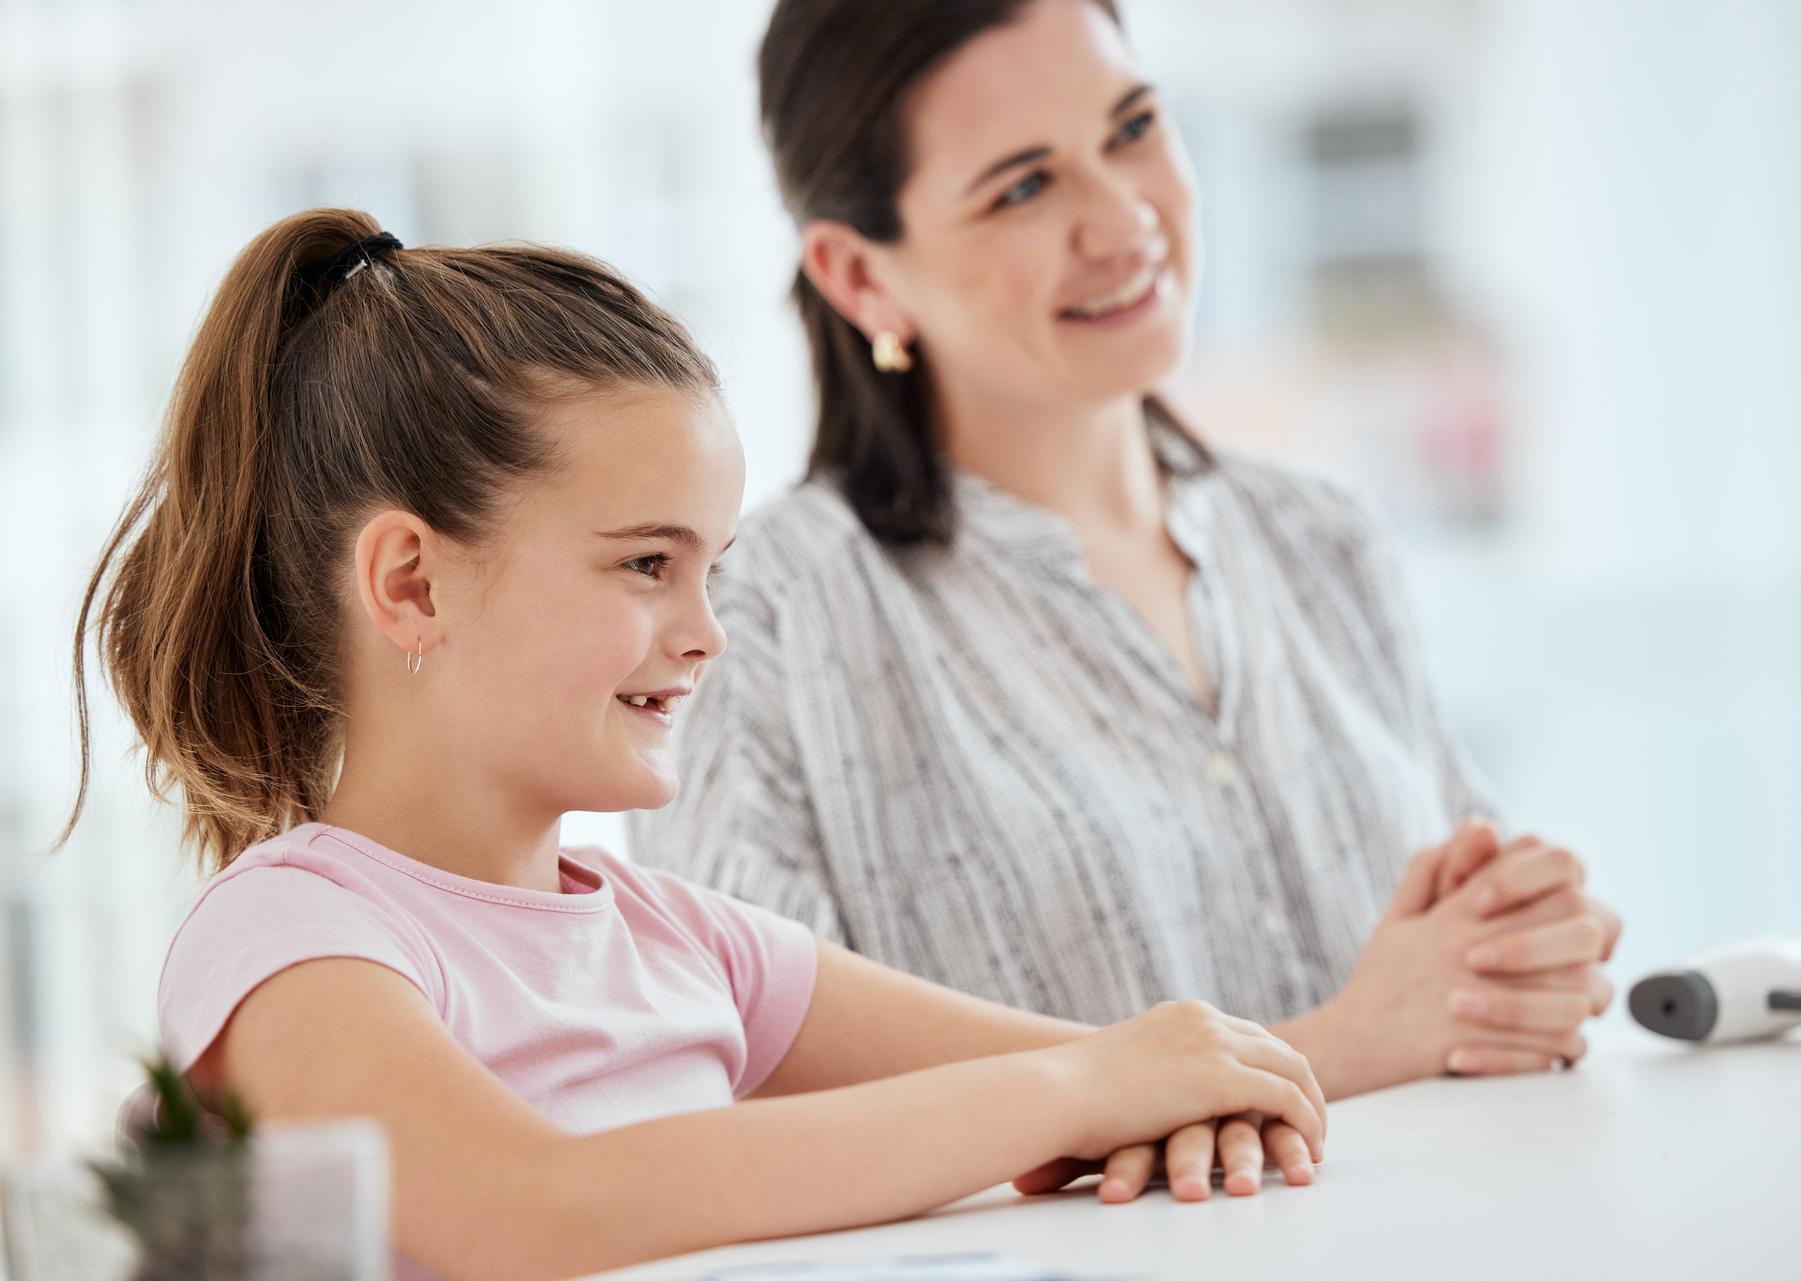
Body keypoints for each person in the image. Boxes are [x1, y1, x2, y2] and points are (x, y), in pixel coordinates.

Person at [58, 209, 1329, 1281]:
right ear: (413, 586)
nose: (708, 632)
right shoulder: (290, 935)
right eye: (648, 564)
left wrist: (1166, 1086)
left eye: (711, 569)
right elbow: (530, 1210)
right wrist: (1072, 1100)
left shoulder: (688, 944)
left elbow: (1128, 1072)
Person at [638, 0, 1623, 1106]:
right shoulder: (759, 622)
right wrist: (1347, 1044)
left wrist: (1526, 957)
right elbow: (763, 1093)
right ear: (862, 277)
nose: (1122, 221)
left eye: (1133, 129)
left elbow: (1459, 975)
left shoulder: (1323, 542)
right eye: (1023, 186)